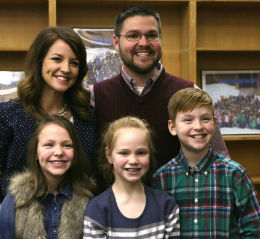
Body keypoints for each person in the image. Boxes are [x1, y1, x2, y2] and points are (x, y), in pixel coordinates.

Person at [0, 26, 96, 228]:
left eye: (74, 63)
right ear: (39, 61)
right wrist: (1, 224)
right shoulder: (6, 115)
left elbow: (94, 178)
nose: (66, 68)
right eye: (57, 59)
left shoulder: (87, 117)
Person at [90, 5, 229, 171]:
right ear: (116, 42)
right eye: (133, 36)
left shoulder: (189, 93)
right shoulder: (96, 96)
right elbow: (87, 163)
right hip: (112, 197)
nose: (143, 43)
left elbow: (220, 161)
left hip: (177, 196)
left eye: (152, 35)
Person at [153, 88, 260, 238]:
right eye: (188, 120)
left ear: (214, 123)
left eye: (205, 119)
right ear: (172, 127)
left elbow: (256, 232)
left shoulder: (235, 174)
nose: (198, 126)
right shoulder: (162, 179)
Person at [0, 115, 96, 238]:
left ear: (75, 152)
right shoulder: (15, 200)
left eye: (67, 145)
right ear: (35, 152)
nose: (58, 152)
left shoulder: (90, 200)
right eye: (49, 145)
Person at [83, 116, 180, 239]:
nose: (133, 160)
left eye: (141, 152)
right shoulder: (97, 209)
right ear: (109, 155)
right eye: (124, 153)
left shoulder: (166, 205)